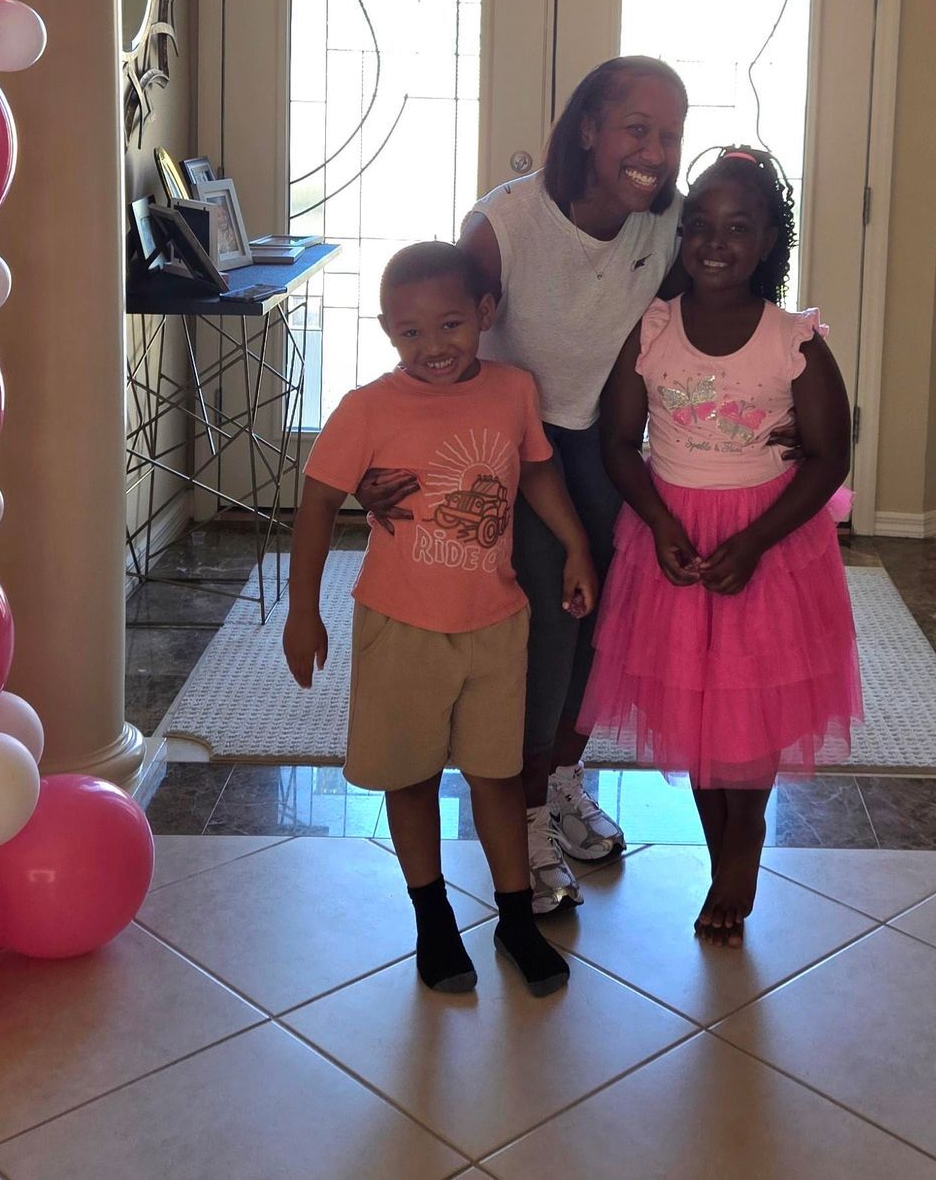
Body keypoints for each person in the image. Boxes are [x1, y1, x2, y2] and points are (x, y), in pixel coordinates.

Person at [282, 240, 599, 997]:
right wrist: (302, 610)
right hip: (401, 625)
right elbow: (319, 502)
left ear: (485, 315)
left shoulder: (513, 390)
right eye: (410, 332)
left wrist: (578, 544)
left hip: (497, 621)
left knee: (497, 773)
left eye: (451, 325)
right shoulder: (368, 408)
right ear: (388, 328)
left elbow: (538, 471)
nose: (433, 347)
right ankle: (432, 919)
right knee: (411, 775)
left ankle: (515, 917)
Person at [580, 148, 860, 945]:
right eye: (699, 223)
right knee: (696, 707)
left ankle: (750, 836)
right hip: (672, 540)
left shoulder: (793, 338)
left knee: (755, 703)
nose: (714, 241)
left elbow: (829, 454)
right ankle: (722, 850)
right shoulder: (654, 329)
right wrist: (661, 523)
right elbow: (617, 440)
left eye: (738, 227)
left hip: (767, 546)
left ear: (770, 238)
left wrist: (757, 540)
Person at [456, 56, 688, 912]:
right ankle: (517, 820)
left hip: (606, 438)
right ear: (587, 128)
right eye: (637, 128)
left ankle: (562, 780)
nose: (654, 151)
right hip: (511, 445)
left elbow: (706, 309)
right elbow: (442, 353)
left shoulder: (663, 226)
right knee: (549, 633)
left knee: (609, 619)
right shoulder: (503, 225)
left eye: (669, 135)